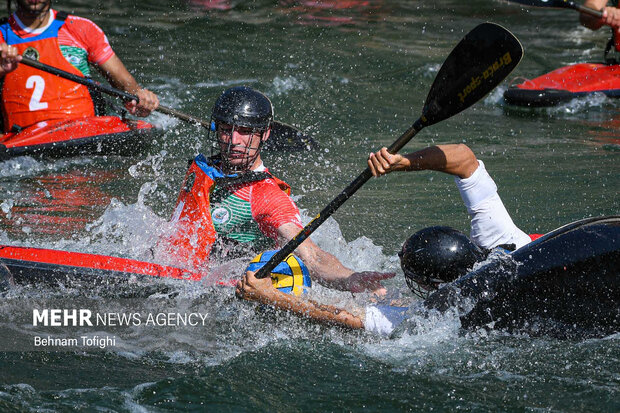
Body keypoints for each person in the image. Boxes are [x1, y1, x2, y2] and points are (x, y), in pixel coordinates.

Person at [236, 143, 541, 333]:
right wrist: (404, 162)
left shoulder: (434, 316)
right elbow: (465, 158)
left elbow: (343, 317)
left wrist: (271, 297)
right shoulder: (507, 242)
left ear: (434, 285)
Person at [160, 86, 393, 295]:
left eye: (245, 131)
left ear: (266, 134)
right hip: (176, 271)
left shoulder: (265, 195)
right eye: (226, 129)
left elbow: (310, 255)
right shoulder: (209, 168)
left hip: (219, 290)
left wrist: (349, 278)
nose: (234, 140)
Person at [0, 0, 159, 133]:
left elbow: (124, 83)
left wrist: (138, 98)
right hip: (20, 138)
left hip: (83, 133)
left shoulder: (81, 29)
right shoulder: (2, 36)